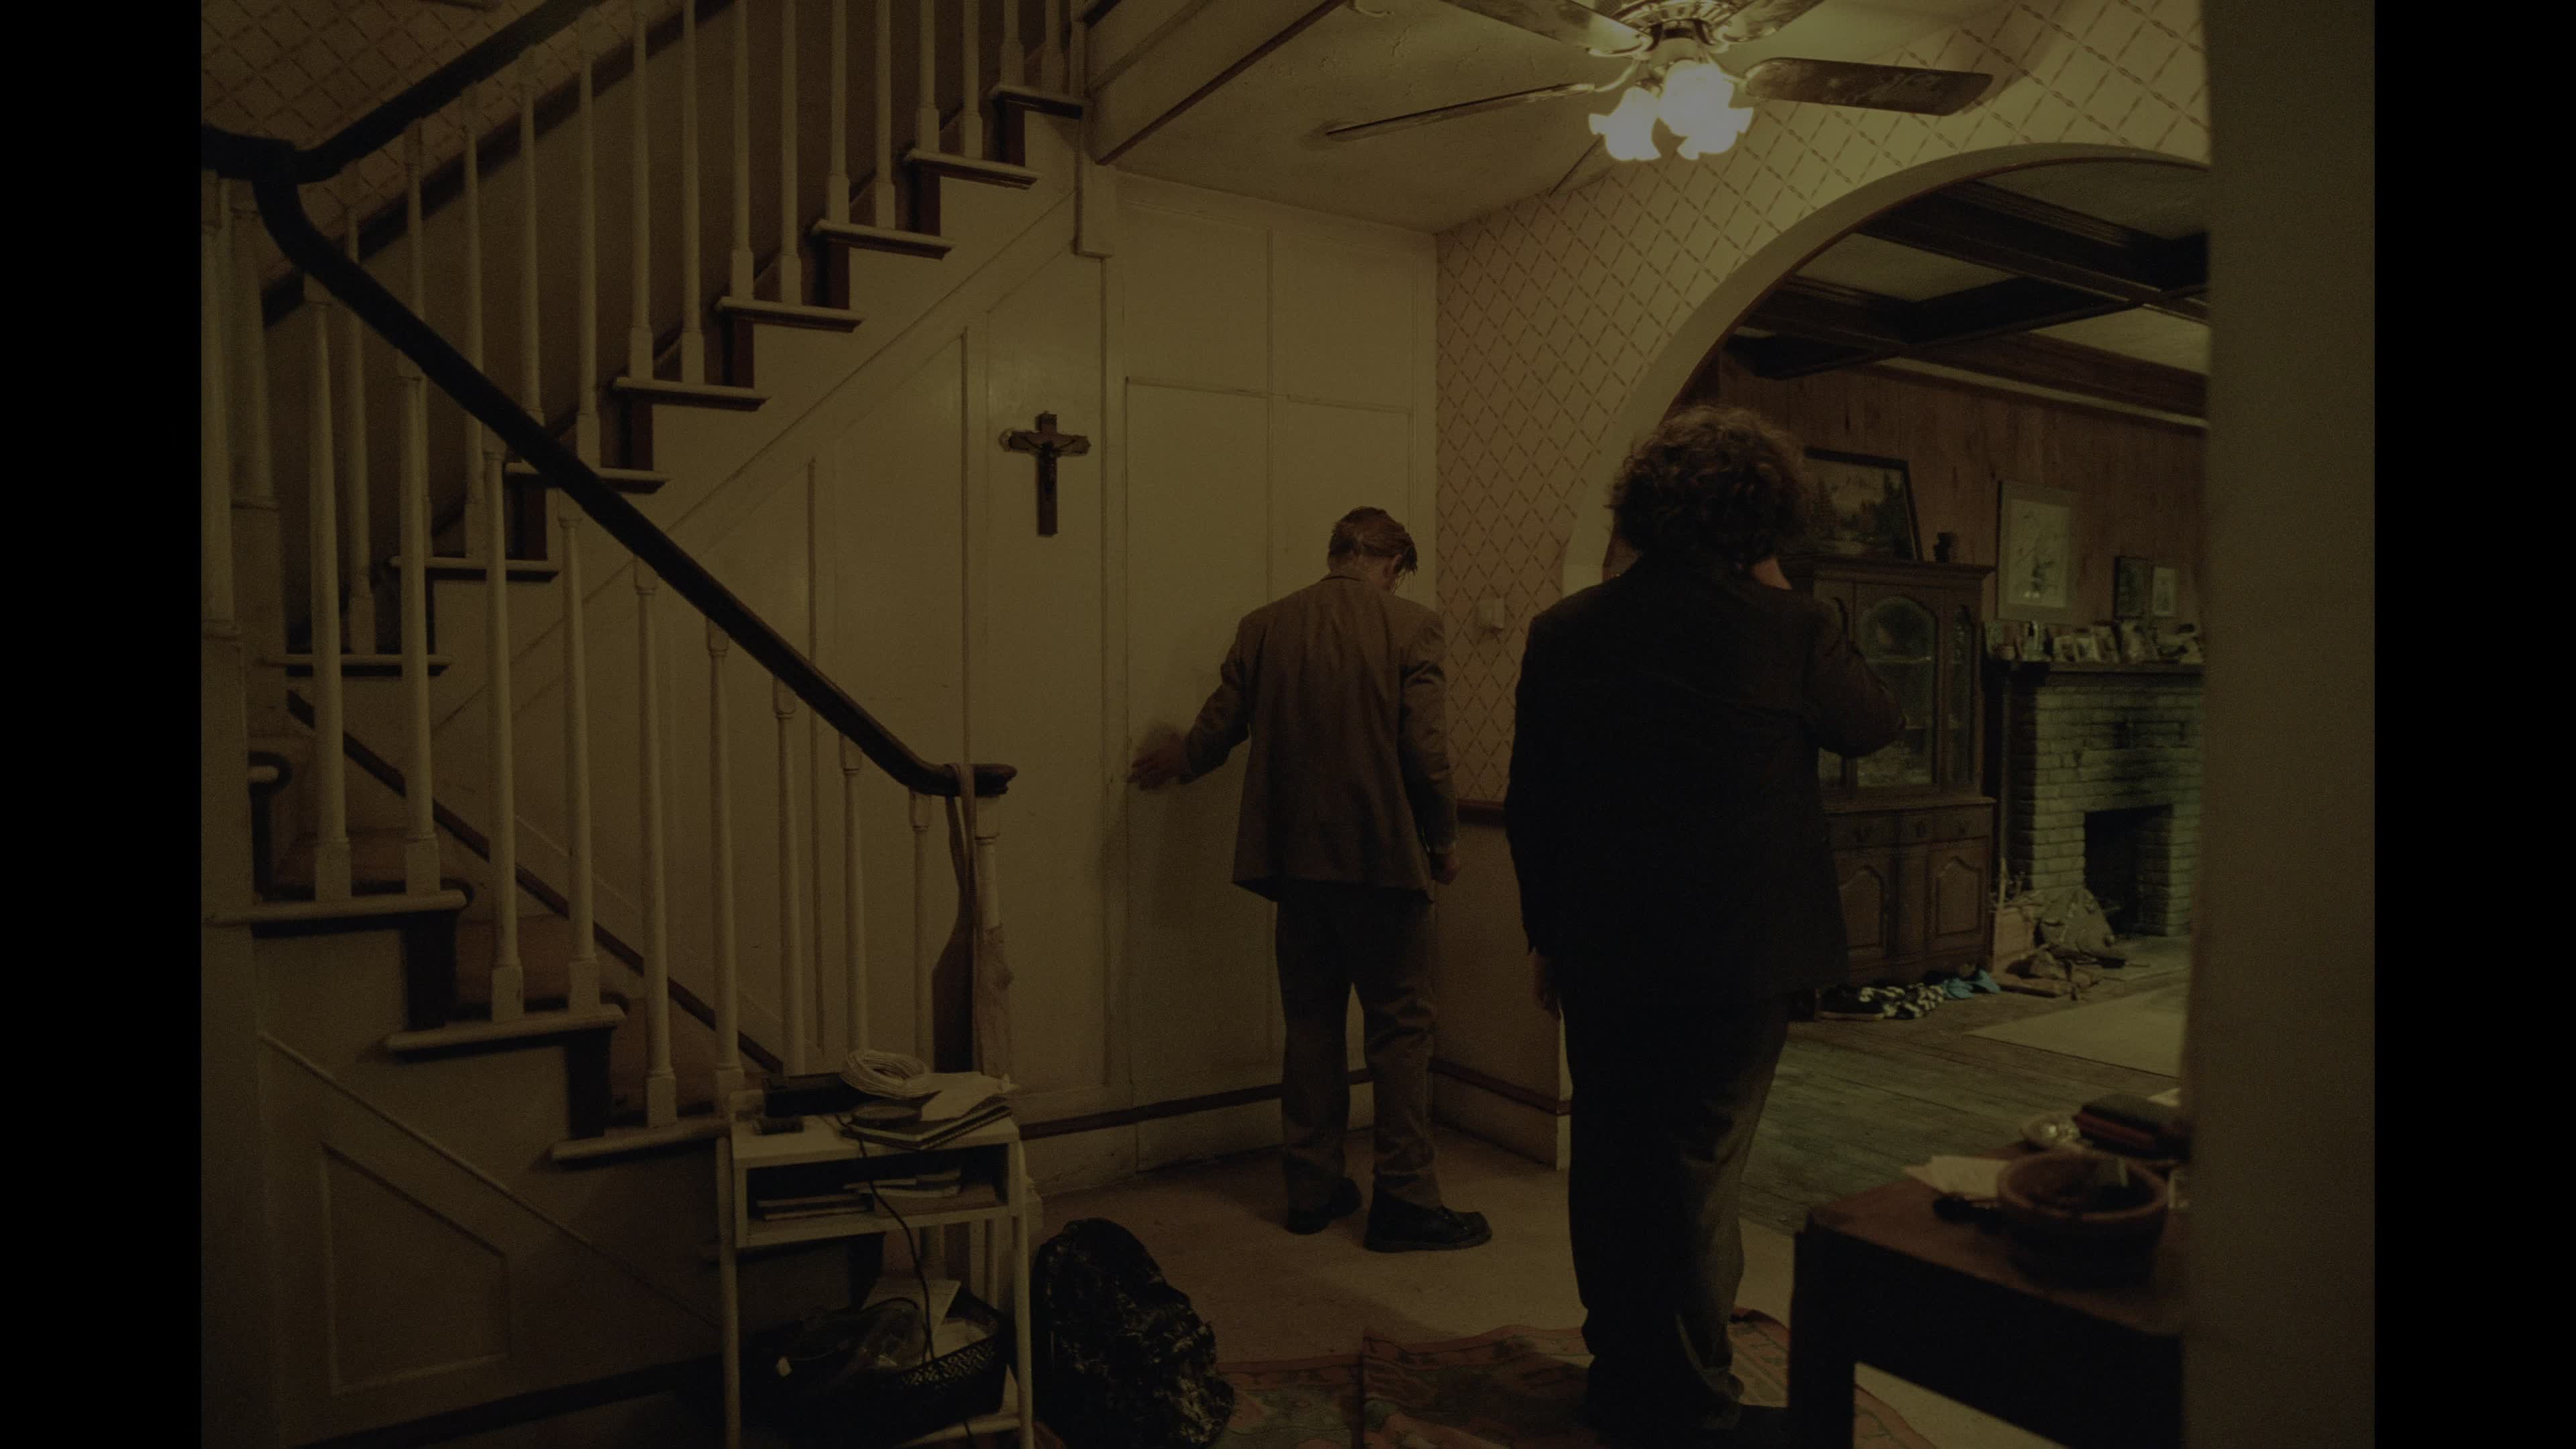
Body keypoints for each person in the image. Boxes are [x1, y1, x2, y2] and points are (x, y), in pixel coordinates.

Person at [1507, 407, 1902, 1447]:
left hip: (1603, 946)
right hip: (1739, 958)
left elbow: (1535, 804)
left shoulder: (1566, 629)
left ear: (1643, 509)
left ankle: (1621, 1380)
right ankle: (1691, 1409)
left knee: (1612, 1159)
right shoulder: (1792, 627)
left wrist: (1547, 935)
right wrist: (1771, 579)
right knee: (1695, 1174)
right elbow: (1874, 723)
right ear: (1766, 514)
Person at [1129, 507, 1489, 1253]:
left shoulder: (1265, 626)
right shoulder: (1411, 626)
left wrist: (1181, 759)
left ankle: (1311, 1189)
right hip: (1383, 863)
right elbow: (1424, 749)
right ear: (1392, 564)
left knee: (1312, 1025)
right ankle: (1405, 1200)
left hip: (1295, 865)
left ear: (1337, 554)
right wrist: (1446, 839)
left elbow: (1222, 723)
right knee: (1400, 1031)